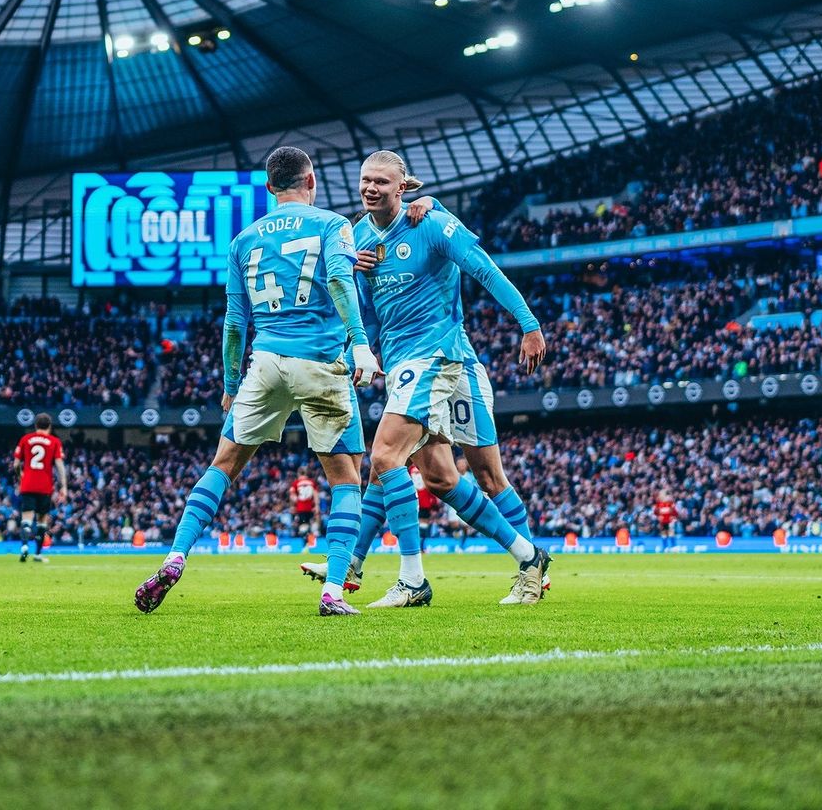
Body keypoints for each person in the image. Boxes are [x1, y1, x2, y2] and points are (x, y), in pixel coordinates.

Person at [134, 146, 381, 617]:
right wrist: (361, 342)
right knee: (346, 479)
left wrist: (230, 384)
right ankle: (332, 590)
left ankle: (175, 556)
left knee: (222, 465)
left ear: (269, 187)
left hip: (264, 362)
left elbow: (234, 323)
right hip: (320, 362)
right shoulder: (333, 224)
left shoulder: (243, 240)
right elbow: (339, 281)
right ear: (312, 181)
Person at [351, 149, 550, 607]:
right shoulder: (359, 235)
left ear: (403, 187)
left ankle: (402, 577)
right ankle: (530, 561)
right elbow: (366, 306)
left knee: (414, 461)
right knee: (439, 477)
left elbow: (484, 269)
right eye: (366, 180)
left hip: (439, 357)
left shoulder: (431, 223)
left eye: (382, 181)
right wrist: (362, 349)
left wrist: (529, 324)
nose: (371, 188)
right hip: (408, 363)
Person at [13, 414, 67, 564]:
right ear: (49, 426)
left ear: (35, 425)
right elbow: (59, 466)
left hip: (28, 484)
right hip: (44, 486)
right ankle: (37, 554)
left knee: (26, 519)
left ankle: (24, 547)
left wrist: (21, 476)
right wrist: (64, 486)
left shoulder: (25, 439)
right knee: (42, 521)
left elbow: (16, 464)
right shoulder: (54, 441)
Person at [290, 467, 320, 539]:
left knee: (303, 525)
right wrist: (317, 505)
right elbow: (316, 494)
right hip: (310, 507)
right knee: (312, 523)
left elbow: (292, 496)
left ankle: (304, 540)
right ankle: (313, 538)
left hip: (301, 507)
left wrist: (293, 505)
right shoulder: (312, 482)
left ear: (299, 474)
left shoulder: (296, 483)